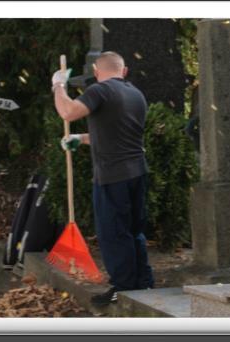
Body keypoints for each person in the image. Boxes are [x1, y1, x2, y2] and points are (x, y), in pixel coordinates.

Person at [52, 51, 154, 305]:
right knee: (134, 231)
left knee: (113, 233)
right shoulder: (135, 94)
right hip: (137, 172)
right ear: (124, 71)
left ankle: (123, 288)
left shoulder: (101, 90)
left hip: (112, 176)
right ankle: (143, 283)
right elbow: (116, 134)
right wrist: (80, 139)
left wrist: (58, 85)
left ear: (97, 73)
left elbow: (68, 112)